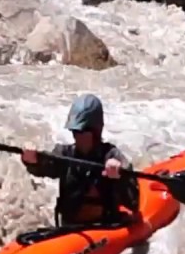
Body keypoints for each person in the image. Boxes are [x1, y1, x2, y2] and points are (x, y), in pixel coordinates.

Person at [21, 93, 141, 228]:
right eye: (74, 131)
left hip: (105, 228)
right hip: (70, 229)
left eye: (82, 132)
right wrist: (32, 160)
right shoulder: (64, 154)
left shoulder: (111, 156)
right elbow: (45, 165)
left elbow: (134, 202)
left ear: (96, 131)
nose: (77, 137)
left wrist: (120, 177)